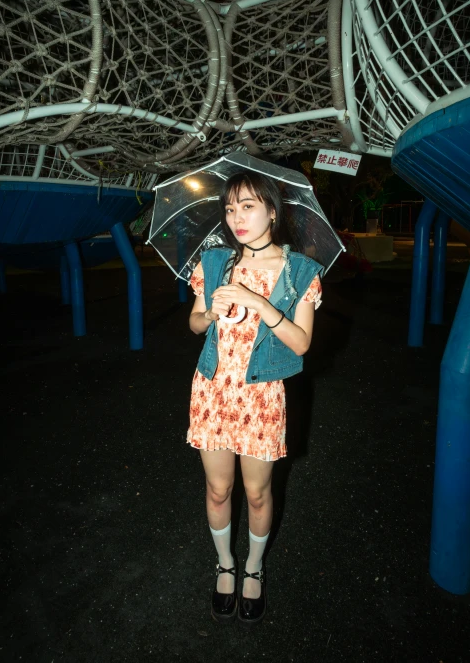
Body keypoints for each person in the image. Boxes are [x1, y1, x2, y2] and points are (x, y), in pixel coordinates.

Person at [188, 170, 323, 627]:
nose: (237, 217)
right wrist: (210, 311)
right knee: (217, 488)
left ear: (272, 210)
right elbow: (194, 325)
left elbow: (302, 343)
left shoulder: (301, 271)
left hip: (261, 395)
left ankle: (253, 568)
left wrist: (263, 305)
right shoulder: (213, 263)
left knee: (257, 492)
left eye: (248, 206)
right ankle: (226, 563)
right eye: (230, 208)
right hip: (212, 390)